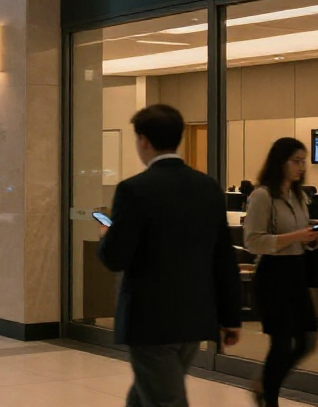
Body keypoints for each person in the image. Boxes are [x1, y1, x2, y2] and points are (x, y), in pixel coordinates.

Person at [97, 104, 242, 407]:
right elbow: (223, 257)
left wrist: (107, 236)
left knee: (165, 398)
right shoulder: (208, 187)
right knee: (150, 391)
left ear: (144, 141)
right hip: (194, 315)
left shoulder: (135, 190)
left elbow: (115, 258)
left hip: (149, 319)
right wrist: (231, 316)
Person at [244, 137, 318, 407]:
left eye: (304, 162)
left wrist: (312, 237)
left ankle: (264, 383)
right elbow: (253, 241)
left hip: (296, 273)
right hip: (272, 276)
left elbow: (301, 237)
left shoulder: (299, 196)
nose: (302, 167)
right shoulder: (262, 196)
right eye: (296, 161)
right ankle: (270, 397)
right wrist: (294, 236)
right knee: (280, 343)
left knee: (307, 339)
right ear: (280, 161)